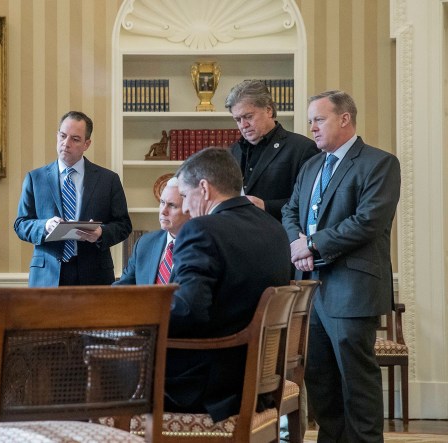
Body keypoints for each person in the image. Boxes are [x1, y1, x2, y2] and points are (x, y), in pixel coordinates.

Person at [282, 91, 400, 442]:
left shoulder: (379, 163)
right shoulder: (311, 166)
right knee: (321, 380)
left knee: (356, 382)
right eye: (310, 121)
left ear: (345, 118)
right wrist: (296, 244)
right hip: (310, 289)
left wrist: (313, 244)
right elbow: (290, 211)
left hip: (352, 288)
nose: (312, 128)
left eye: (319, 119)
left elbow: (368, 222)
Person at [165, 147, 291, 422]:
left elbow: (189, 311)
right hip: (256, 380)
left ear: (204, 188)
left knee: (95, 376)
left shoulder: (200, 230)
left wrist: (135, 322)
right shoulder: (275, 230)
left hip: (205, 386)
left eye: (185, 196)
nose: (185, 207)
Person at [14, 111, 132, 287]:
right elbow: (21, 224)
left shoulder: (108, 180)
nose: (65, 144)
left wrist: (101, 233)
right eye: (62, 136)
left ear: (86, 144)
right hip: (47, 275)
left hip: (94, 274)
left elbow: (124, 225)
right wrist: (45, 226)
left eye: (75, 139)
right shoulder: (35, 178)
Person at [226, 80, 319, 222]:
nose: (243, 125)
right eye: (237, 119)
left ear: (269, 110)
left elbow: (312, 202)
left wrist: (266, 206)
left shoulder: (302, 148)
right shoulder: (233, 151)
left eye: (248, 117)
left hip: (280, 236)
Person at [113, 177, 186, 285]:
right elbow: (122, 289)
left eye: (172, 205)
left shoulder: (200, 248)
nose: (163, 211)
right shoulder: (145, 243)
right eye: (162, 202)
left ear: (189, 208)